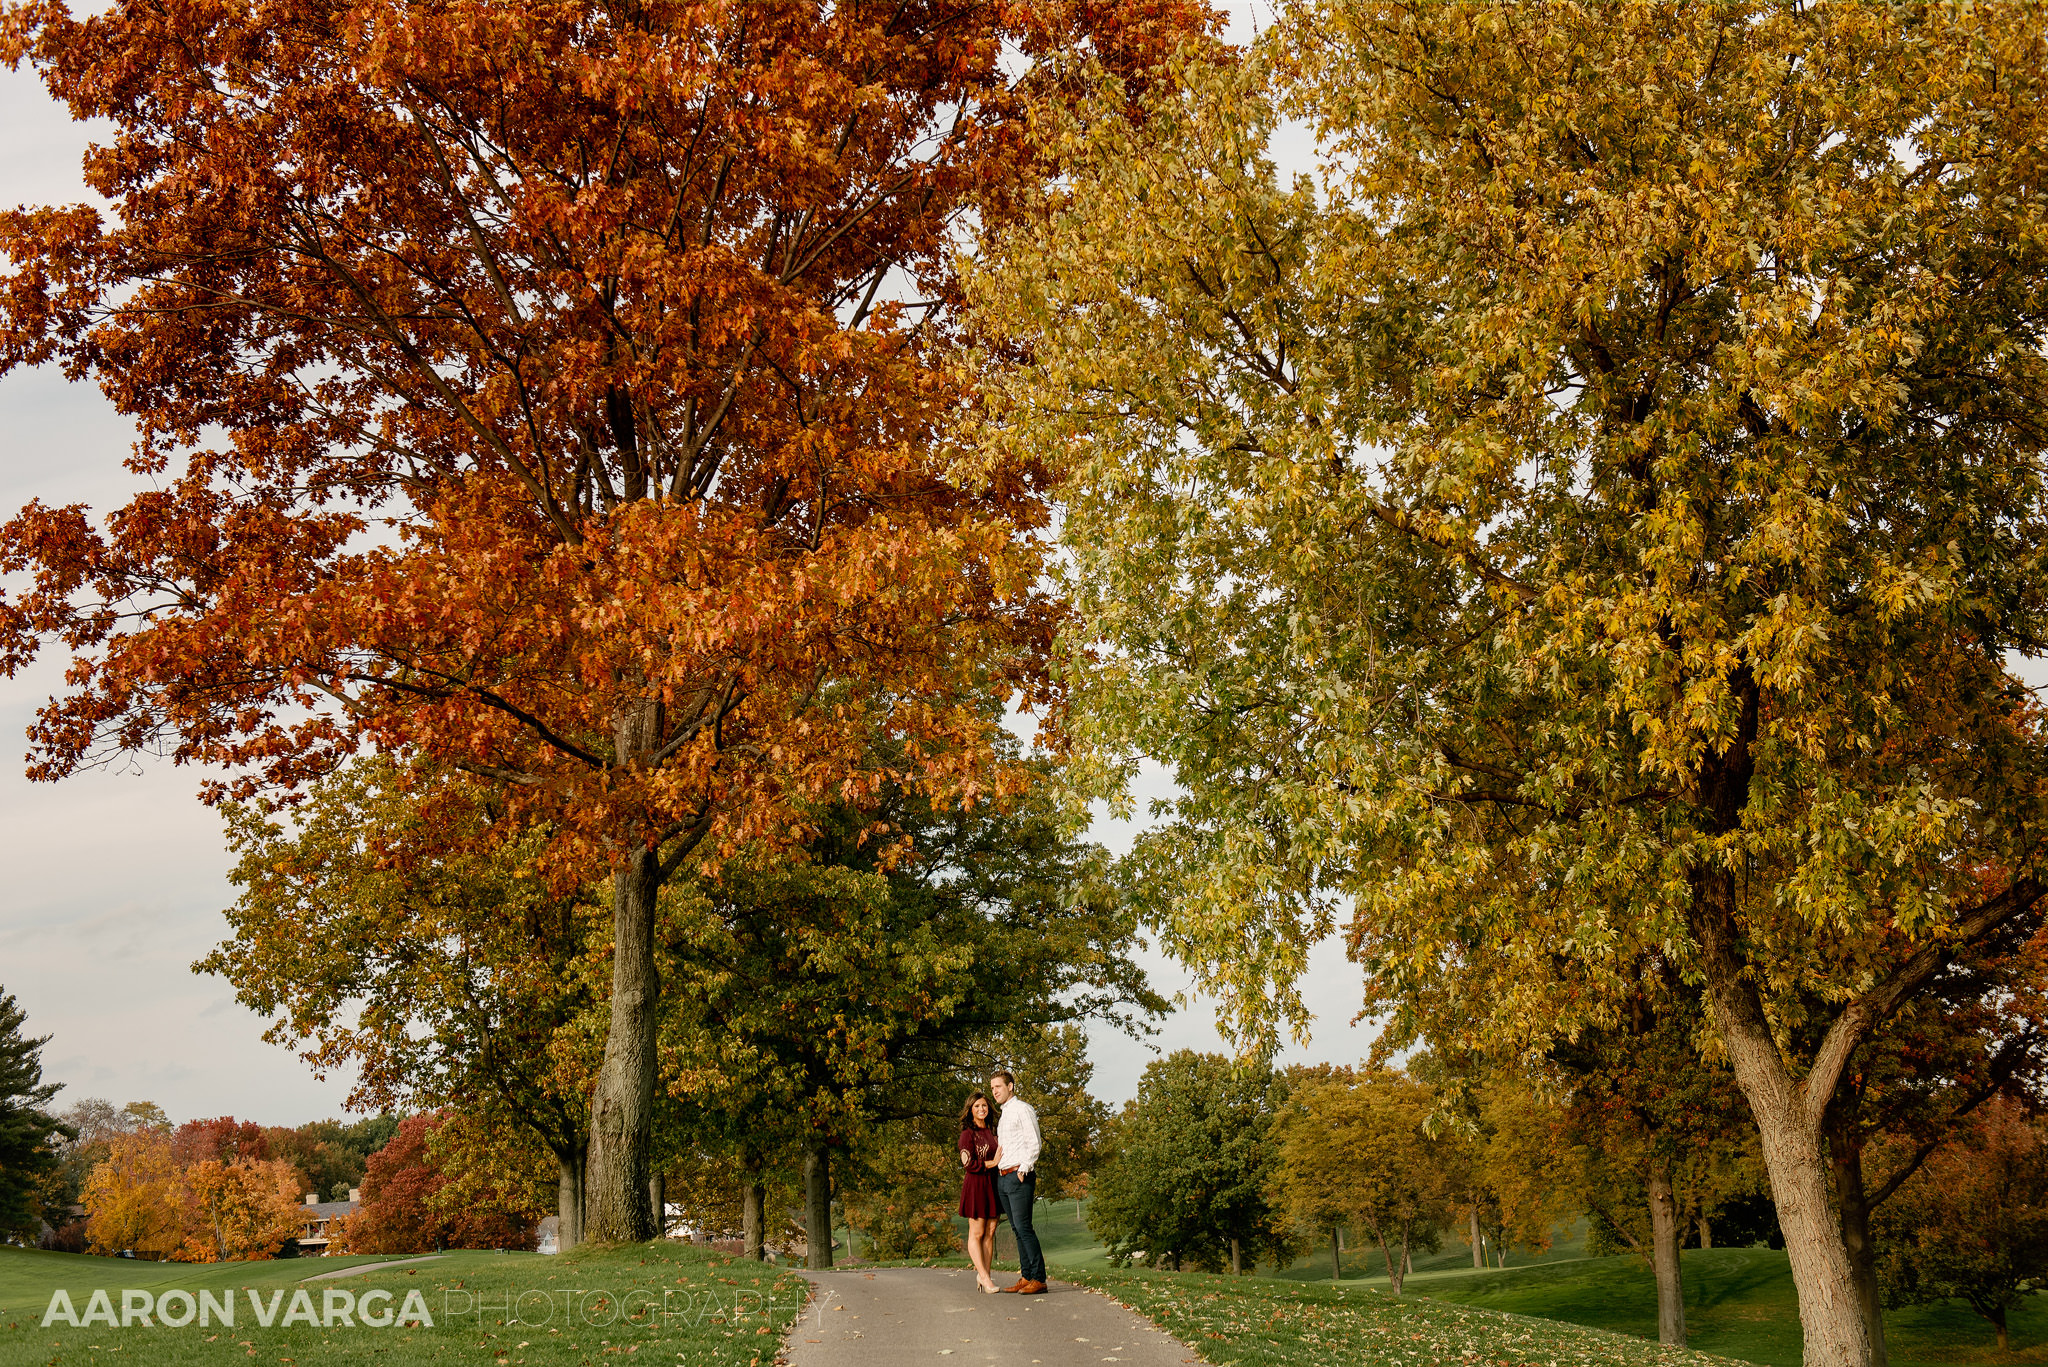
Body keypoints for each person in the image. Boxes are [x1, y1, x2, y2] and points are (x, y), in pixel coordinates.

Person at [990, 1070, 1046, 1294]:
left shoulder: (1023, 1109)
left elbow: (1034, 1142)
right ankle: (1026, 1276)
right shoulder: (1004, 1115)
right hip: (1004, 1178)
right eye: (992, 1088)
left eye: (998, 1087)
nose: (994, 1091)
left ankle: (1039, 1279)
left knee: (1024, 1227)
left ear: (1010, 1086)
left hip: (1018, 1175)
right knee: (1016, 1229)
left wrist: (1024, 1169)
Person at [957, 1089, 1004, 1293]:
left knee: (991, 1232)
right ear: (970, 1110)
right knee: (976, 1233)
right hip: (976, 1184)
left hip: (993, 1184)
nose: (981, 1109)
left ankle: (985, 1274)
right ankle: (984, 1277)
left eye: (984, 1105)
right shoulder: (967, 1134)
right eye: (977, 1106)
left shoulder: (993, 1131)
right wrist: (991, 1163)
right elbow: (968, 1164)